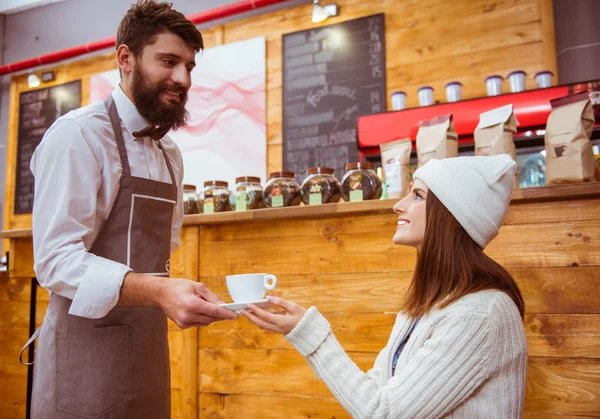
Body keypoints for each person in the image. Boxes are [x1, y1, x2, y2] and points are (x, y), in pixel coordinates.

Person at [20, 1, 237, 418]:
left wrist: (175, 293)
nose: (183, 78)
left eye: (190, 66)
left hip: (148, 348)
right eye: (169, 61)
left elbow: (159, 255)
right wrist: (159, 292)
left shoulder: (169, 153)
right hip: (83, 356)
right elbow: (55, 261)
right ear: (125, 58)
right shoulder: (78, 136)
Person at [243, 155, 528, 418]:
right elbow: (378, 394)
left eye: (417, 195)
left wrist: (309, 332)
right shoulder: (425, 305)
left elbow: (384, 414)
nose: (398, 205)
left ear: (452, 217)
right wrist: (299, 327)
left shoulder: (480, 315)